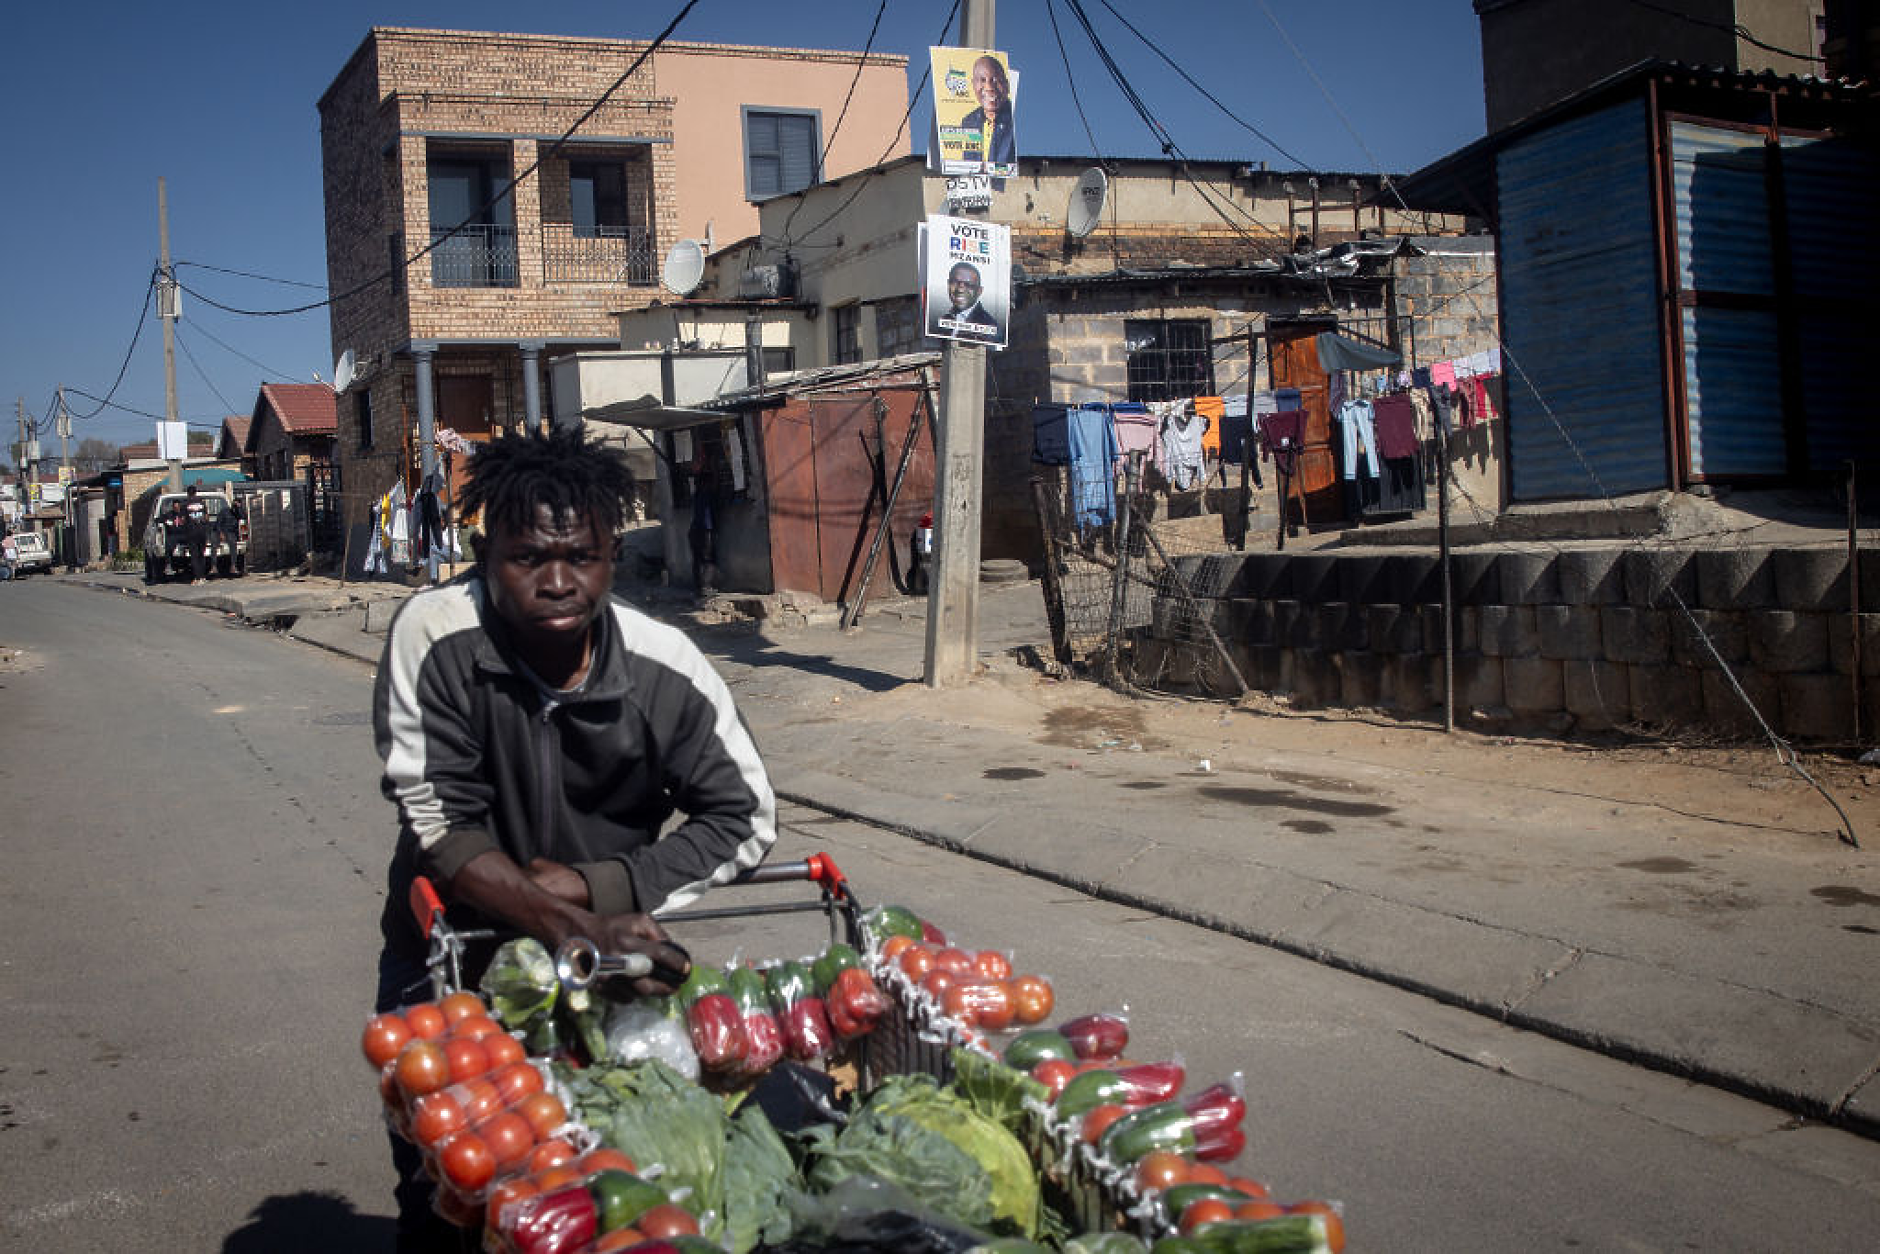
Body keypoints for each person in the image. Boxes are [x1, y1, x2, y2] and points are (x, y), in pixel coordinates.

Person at [371, 427, 776, 1249]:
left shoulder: (668, 665)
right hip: (454, 960)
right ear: (487, 554)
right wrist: (578, 927)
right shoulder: (434, 635)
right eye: (528, 559)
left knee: (607, 1196)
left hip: (605, 976)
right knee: (450, 1195)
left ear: (612, 555)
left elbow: (746, 818)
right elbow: (442, 828)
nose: (558, 582)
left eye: (581, 558)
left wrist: (599, 887)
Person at [960, 54, 1015, 171]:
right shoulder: (969, 121)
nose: (989, 87)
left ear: (1006, 84)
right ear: (973, 84)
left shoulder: (1014, 118)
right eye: (982, 80)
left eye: (995, 80)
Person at [938, 261, 1001, 339]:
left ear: (979, 291)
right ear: (948, 284)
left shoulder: (990, 325)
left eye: (968, 285)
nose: (960, 290)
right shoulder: (942, 320)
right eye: (955, 282)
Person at [179, 484, 210, 585]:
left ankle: (197, 578)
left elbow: (183, 520)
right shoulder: (202, 503)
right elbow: (206, 518)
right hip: (202, 531)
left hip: (192, 532)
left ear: (188, 493)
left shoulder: (185, 504)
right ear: (196, 492)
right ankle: (203, 577)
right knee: (201, 554)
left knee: (194, 556)